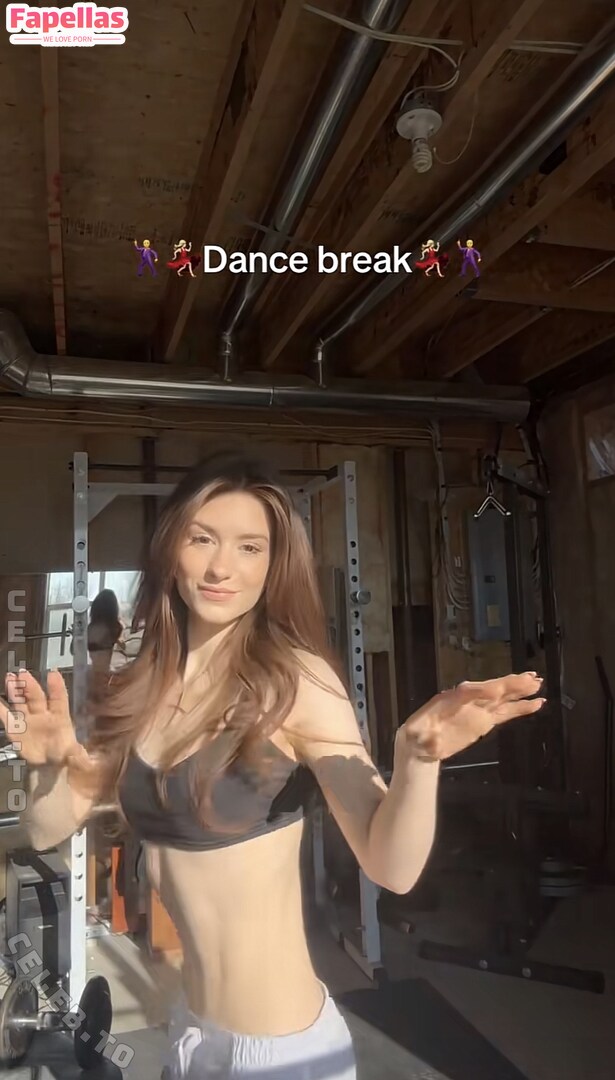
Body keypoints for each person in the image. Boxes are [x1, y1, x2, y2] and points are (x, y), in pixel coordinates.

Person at [1, 450, 546, 1079]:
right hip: (192, 1030)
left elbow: (391, 868)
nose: (221, 567)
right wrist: (49, 766)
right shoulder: (142, 685)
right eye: (202, 539)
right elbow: (45, 828)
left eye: (249, 547)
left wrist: (418, 760)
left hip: (281, 1051)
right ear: (171, 546)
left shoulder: (295, 682)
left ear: (273, 563)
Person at [87, 589, 124, 675]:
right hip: (106, 670)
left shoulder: (90, 628)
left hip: (95, 671)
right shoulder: (116, 627)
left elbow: (74, 649)